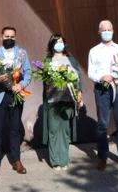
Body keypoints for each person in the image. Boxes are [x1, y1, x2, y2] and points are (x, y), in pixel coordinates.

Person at [0, 27, 31, 178]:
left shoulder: (22, 53)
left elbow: (28, 73)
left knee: (15, 130)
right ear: (1, 37)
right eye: (7, 36)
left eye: (12, 37)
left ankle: (16, 160)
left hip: (15, 95)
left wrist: (21, 85)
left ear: (15, 38)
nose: (9, 39)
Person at [88, 20, 118, 170]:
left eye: (109, 29)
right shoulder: (94, 51)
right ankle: (102, 157)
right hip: (102, 89)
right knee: (102, 124)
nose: (107, 32)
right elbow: (90, 72)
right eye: (104, 30)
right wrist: (101, 77)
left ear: (113, 30)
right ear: (99, 32)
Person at [42, 33, 84, 169]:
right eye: (56, 42)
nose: (59, 44)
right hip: (53, 100)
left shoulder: (70, 59)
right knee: (54, 131)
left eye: (61, 41)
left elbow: (78, 79)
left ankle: (64, 160)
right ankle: (55, 162)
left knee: (65, 131)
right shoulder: (48, 61)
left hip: (68, 100)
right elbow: (44, 81)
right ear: (52, 45)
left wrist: (79, 95)